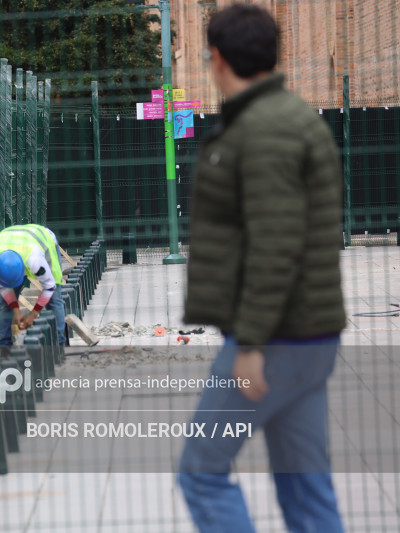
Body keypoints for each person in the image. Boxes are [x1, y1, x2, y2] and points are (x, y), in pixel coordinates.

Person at [178, 4, 346, 533]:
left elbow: (276, 244)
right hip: (310, 335)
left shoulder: (264, 128)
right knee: (305, 486)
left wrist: (249, 344)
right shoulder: (291, 118)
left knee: (201, 471)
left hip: (274, 340)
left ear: (219, 58)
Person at [0, 224, 66, 357]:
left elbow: (49, 287)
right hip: (14, 240)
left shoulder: (34, 260)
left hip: (43, 239)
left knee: (54, 300)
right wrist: (16, 311)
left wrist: (33, 315)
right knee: (5, 305)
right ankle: (5, 350)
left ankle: (58, 347)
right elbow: (3, 287)